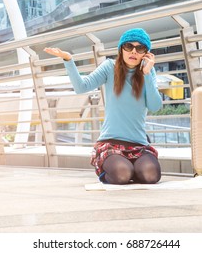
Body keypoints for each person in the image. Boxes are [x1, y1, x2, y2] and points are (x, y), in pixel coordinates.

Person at [44, 28, 162, 184]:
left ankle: (133, 170)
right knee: (121, 175)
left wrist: (146, 73)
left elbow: (155, 106)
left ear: (145, 54)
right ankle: (114, 168)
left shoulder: (148, 72)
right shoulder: (109, 67)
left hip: (139, 145)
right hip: (111, 143)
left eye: (140, 48)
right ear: (121, 49)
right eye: (128, 46)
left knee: (151, 176)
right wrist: (68, 60)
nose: (133, 51)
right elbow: (82, 87)